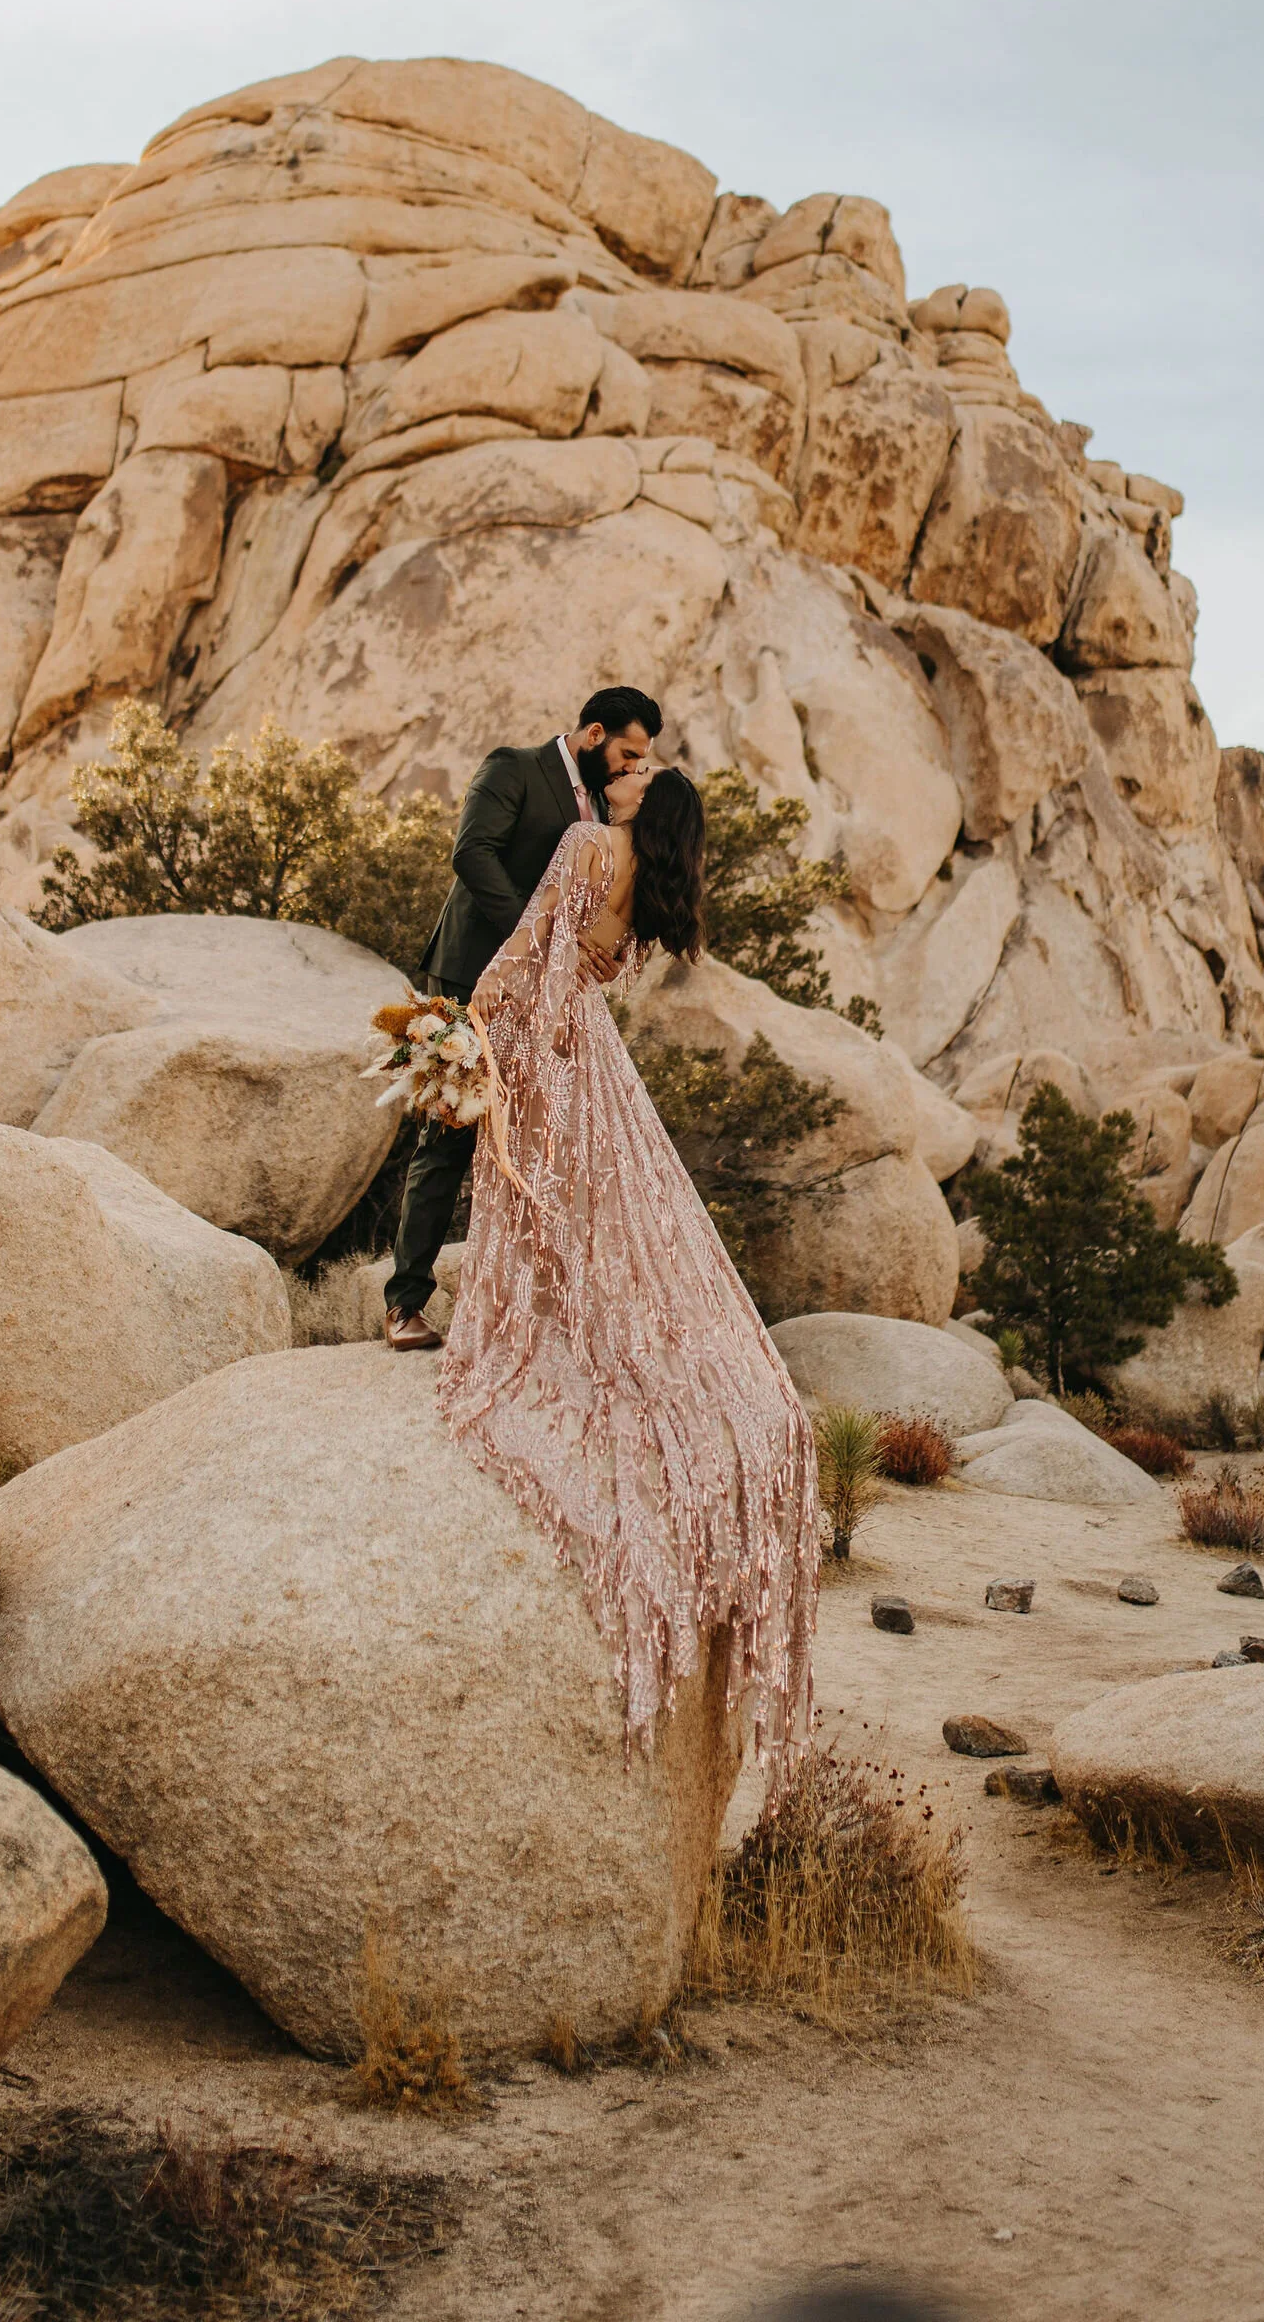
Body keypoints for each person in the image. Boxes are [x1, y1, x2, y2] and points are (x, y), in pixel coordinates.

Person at [435, 761, 819, 1779]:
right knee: (599, 1207)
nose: (621, 773)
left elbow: (529, 950)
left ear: (652, 804)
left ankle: (545, 1331)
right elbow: (596, 973)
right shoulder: (651, 893)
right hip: (591, 1052)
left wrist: (463, 1024)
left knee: (535, 1198)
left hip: (537, 1041)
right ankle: (586, 1329)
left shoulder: (580, 846)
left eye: (640, 772)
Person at [380, 688, 662, 1350]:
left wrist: (596, 954)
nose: (630, 768)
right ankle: (405, 1305)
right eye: (626, 752)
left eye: (641, 761)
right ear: (593, 734)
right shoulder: (514, 767)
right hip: (467, 977)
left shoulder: (608, 811)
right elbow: (472, 853)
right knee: (447, 1140)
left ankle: (513, 1312)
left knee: (533, 1145)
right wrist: (535, 945)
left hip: (546, 998)